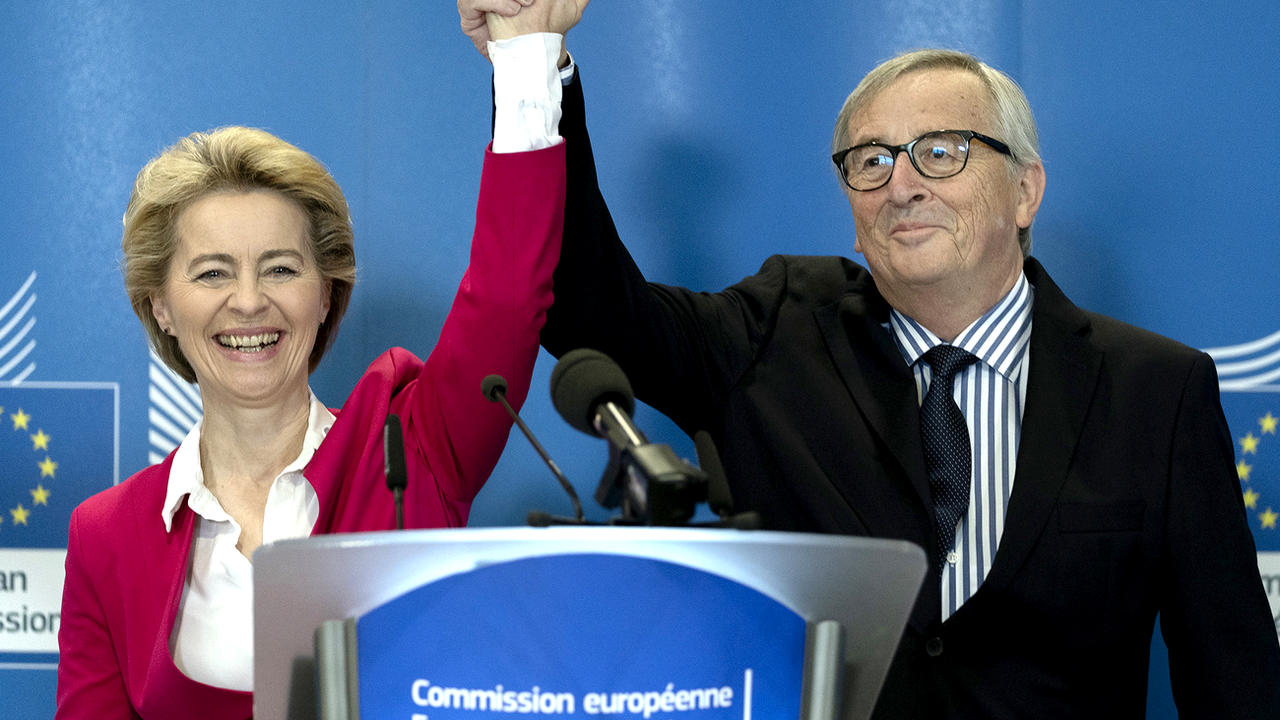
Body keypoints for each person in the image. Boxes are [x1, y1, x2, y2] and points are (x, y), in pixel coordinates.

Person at [460, 2, 1280, 717]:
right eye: (872, 161)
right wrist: (535, 65)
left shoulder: (1155, 392)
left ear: (1026, 190)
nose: (902, 185)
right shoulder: (776, 334)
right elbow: (592, 314)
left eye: (943, 151)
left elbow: (1232, 681)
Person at [54, 8, 574, 719]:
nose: (248, 302)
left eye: (280, 269)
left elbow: (509, 297)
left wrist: (526, 55)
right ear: (161, 305)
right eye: (210, 274)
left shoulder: (413, 446)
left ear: (326, 295)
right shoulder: (105, 535)